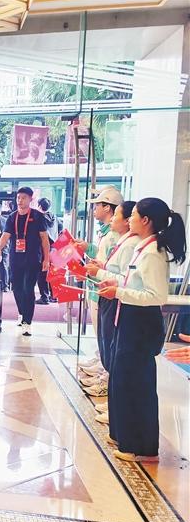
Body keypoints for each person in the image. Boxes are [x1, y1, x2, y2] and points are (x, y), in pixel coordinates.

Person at [97, 197, 185, 462]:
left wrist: (119, 292)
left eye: (133, 214)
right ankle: (125, 436)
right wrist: (115, 285)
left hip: (141, 323)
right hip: (129, 317)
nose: (129, 218)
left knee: (137, 384)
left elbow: (155, 296)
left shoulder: (153, 252)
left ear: (145, 220)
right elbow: (133, 282)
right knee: (123, 379)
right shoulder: (143, 246)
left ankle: (143, 447)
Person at [82, 201, 138, 410]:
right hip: (110, 293)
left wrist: (100, 272)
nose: (114, 218)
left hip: (120, 301)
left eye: (118, 215)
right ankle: (114, 399)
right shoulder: (124, 240)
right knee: (107, 343)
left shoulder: (133, 244)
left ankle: (115, 399)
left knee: (116, 350)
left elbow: (128, 280)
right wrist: (101, 268)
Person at [75, 185, 124, 381]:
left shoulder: (114, 235)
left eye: (97, 205)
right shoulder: (105, 232)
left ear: (108, 207)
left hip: (104, 289)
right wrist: (89, 250)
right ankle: (102, 361)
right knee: (101, 333)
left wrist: (94, 269)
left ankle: (106, 371)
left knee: (106, 334)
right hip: (97, 286)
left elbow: (112, 266)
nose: (94, 209)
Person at [0, 187, 50, 336]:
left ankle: (27, 322)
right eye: (18, 197)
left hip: (33, 259)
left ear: (30, 199)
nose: (20, 200)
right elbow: (5, 235)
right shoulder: (12, 217)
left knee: (28, 289)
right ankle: (21, 312)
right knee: (17, 289)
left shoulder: (38, 216)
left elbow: (44, 239)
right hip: (15, 259)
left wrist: (46, 259)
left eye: (23, 198)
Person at [35, 197, 58, 305]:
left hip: (43, 248)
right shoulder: (54, 217)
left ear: (39, 206)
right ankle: (54, 296)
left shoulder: (39, 218)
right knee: (52, 273)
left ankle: (44, 297)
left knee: (42, 273)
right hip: (55, 248)